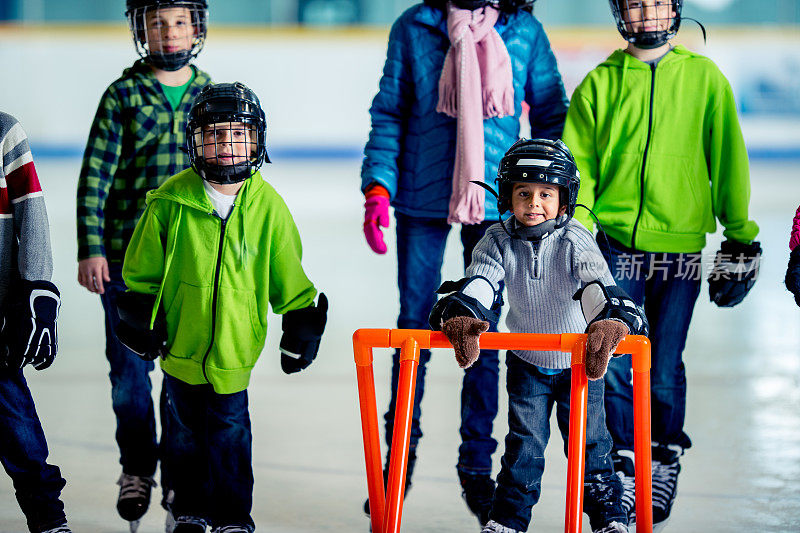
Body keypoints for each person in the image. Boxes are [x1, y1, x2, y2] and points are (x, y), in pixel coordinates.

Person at [360, 0, 568, 523]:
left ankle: (477, 463)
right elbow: (390, 110)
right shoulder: (415, 27)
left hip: (499, 199)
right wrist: (378, 187)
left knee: (483, 329)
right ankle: (398, 461)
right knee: (413, 326)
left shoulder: (524, 30)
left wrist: (546, 191)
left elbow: (550, 111)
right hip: (420, 195)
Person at [562, 0, 761, 527]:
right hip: (615, 247)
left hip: (680, 249)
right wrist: (577, 237)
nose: (647, 15)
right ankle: (625, 461)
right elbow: (577, 167)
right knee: (619, 358)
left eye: (656, 4)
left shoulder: (705, 79)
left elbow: (728, 158)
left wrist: (740, 237)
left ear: (673, 10)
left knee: (667, 362)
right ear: (620, 13)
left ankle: (664, 454)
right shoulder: (599, 84)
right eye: (636, 5)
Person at [117, 82, 328, 533]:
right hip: (180, 348)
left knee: (231, 436)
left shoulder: (268, 206)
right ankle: (189, 509)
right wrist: (140, 312)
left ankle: (232, 516)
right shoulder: (169, 200)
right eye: (213, 135)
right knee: (184, 436)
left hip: (234, 353)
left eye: (238, 135)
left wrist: (299, 321)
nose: (226, 146)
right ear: (195, 141)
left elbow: (286, 273)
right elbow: (142, 272)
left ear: (257, 140)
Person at [429, 138, 648, 533]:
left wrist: (609, 320)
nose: (534, 203)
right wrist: (463, 310)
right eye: (523, 193)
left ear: (564, 198)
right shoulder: (497, 239)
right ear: (507, 196)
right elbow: (483, 280)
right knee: (524, 447)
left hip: (581, 364)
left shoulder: (574, 238)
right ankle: (507, 520)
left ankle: (609, 518)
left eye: (546, 193)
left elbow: (596, 283)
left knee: (591, 445)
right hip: (528, 363)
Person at [75, 0, 211, 528]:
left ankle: (180, 478)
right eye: (157, 23)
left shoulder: (210, 94)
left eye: (179, 22)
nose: (169, 32)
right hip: (129, 266)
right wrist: (92, 247)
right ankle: (137, 468)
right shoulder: (123, 96)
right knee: (130, 378)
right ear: (140, 30)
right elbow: (95, 179)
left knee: (182, 380)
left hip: (190, 267)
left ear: (196, 27)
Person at [0, 112, 71, 533]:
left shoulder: (4, 132)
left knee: (20, 434)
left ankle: (47, 518)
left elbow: (32, 213)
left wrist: (38, 288)